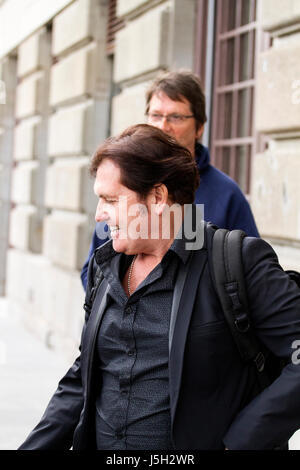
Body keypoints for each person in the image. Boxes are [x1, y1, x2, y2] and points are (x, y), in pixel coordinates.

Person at [19, 125, 300, 450]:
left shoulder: (237, 260)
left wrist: (239, 444)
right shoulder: (104, 262)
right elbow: (85, 373)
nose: (100, 214)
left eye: (111, 199)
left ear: (157, 197)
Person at [80, 70, 259, 290]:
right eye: (155, 115)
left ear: (199, 127)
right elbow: (93, 269)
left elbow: (252, 276)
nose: (163, 126)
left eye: (176, 117)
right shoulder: (124, 187)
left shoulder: (226, 194)